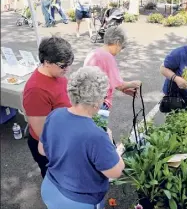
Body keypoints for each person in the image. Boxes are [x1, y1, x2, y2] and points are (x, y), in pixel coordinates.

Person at [39, 66, 125, 209]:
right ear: (96, 102)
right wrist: (110, 143)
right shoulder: (97, 136)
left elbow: (42, 150)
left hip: (50, 188)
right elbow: (115, 172)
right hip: (78, 202)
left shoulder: (55, 115)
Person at [23, 37, 74, 178]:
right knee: (55, 179)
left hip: (63, 137)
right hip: (51, 146)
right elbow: (42, 132)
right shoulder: (36, 90)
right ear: (46, 62)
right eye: (63, 66)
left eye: (69, 64)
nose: (67, 69)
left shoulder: (56, 73)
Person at [84, 26, 141, 110]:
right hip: (99, 103)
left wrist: (124, 89)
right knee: (99, 123)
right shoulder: (107, 57)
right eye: (122, 47)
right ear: (117, 42)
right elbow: (119, 85)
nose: (120, 51)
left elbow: (111, 82)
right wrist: (134, 84)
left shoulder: (93, 53)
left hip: (86, 100)